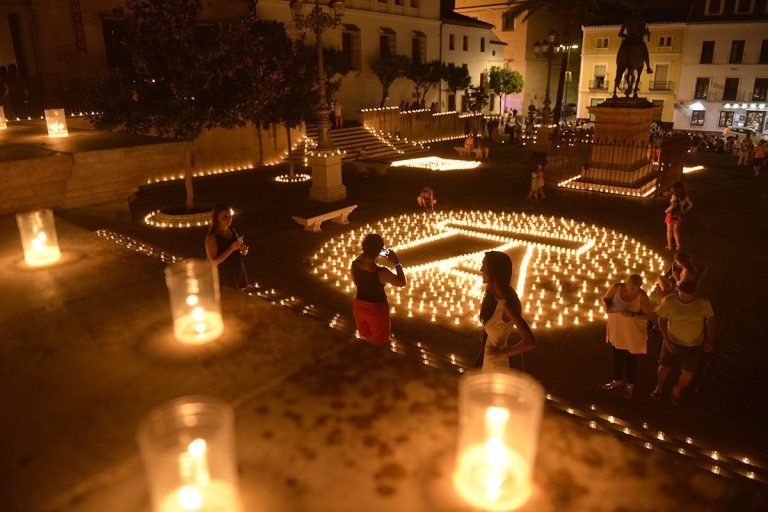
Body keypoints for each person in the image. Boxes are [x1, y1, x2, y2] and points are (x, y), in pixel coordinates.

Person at [652, 281, 715, 405]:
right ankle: (659, 387)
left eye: (689, 297)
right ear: (678, 291)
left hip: (694, 344)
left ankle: (677, 389)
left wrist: (709, 339)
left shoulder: (703, 303)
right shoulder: (669, 301)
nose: (686, 299)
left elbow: (711, 319)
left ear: (695, 294)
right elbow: (662, 320)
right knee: (664, 366)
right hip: (672, 341)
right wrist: (666, 340)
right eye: (683, 296)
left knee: (688, 373)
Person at [478, 251, 536, 371]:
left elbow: (530, 342)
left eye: (484, 265)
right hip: (488, 362)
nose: (481, 269)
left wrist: (502, 353)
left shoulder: (507, 305)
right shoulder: (493, 295)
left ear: (493, 271)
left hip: (497, 368)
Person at [602, 274, 653, 398]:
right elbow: (606, 299)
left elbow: (647, 316)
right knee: (617, 355)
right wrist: (607, 306)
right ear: (626, 283)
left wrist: (631, 314)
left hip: (632, 332)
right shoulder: (616, 288)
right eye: (632, 287)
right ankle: (617, 380)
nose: (634, 291)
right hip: (617, 328)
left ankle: (630, 384)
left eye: (637, 288)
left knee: (630, 358)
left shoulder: (642, 297)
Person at [351, 234, 407, 345]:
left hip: (359, 307)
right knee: (379, 343)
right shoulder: (381, 272)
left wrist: (370, 250)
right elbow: (402, 282)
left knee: (365, 339)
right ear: (379, 251)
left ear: (364, 248)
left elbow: (356, 282)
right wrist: (396, 262)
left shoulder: (354, 265)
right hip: (377, 312)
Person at [204, 204, 249, 289]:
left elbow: (238, 250)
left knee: (240, 295)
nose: (229, 219)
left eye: (230, 216)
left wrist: (243, 250)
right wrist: (231, 248)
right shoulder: (211, 237)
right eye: (225, 216)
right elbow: (213, 262)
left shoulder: (232, 231)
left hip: (238, 269)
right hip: (225, 274)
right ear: (217, 218)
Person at [664, 181, 693, 250]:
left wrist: (666, 210)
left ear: (675, 189)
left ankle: (669, 245)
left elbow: (673, 206)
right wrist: (684, 211)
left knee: (669, 231)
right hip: (679, 215)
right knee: (675, 230)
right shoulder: (685, 196)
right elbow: (691, 205)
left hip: (671, 214)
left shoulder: (674, 196)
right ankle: (678, 245)